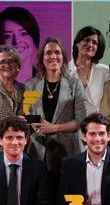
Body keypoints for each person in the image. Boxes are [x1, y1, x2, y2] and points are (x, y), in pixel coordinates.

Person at [24, 38, 85, 171]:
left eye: (57, 52)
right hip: (38, 152)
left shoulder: (74, 84)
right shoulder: (31, 85)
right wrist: (32, 123)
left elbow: (81, 120)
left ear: (63, 57)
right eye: (48, 53)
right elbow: (27, 115)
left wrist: (54, 128)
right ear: (42, 58)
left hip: (67, 153)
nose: (53, 56)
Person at [69, 27, 110, 118]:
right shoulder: (65, 71)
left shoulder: (104, 71)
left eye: (94, 43)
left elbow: (107, 103)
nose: (90, 45)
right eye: (86, 40)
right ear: (77, 43)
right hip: (71, 125)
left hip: (96, 124)